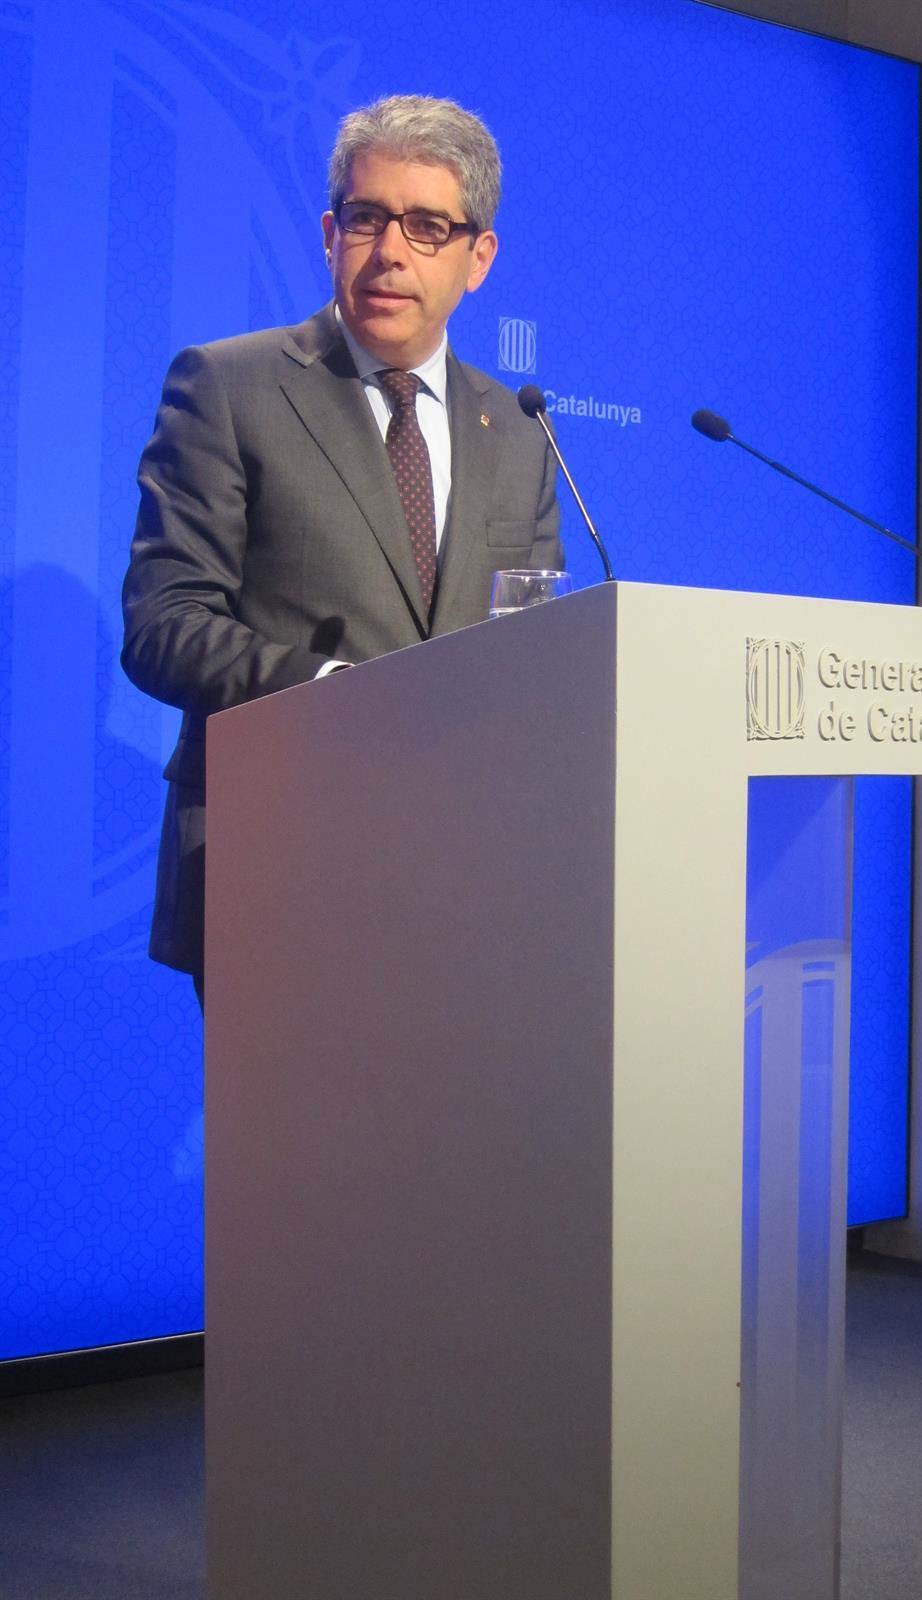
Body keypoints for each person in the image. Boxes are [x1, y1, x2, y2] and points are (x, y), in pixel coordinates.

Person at [122, 95, 562, 994]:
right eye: (366, 218)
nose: (390, 250)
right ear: (330, 235)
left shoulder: (519, 432)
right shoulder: (231, 387)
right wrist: (330, 694)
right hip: (278, 858)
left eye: (427, 226)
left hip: (469, 874)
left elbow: (536, 645)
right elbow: (164, 623)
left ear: (479, 258)